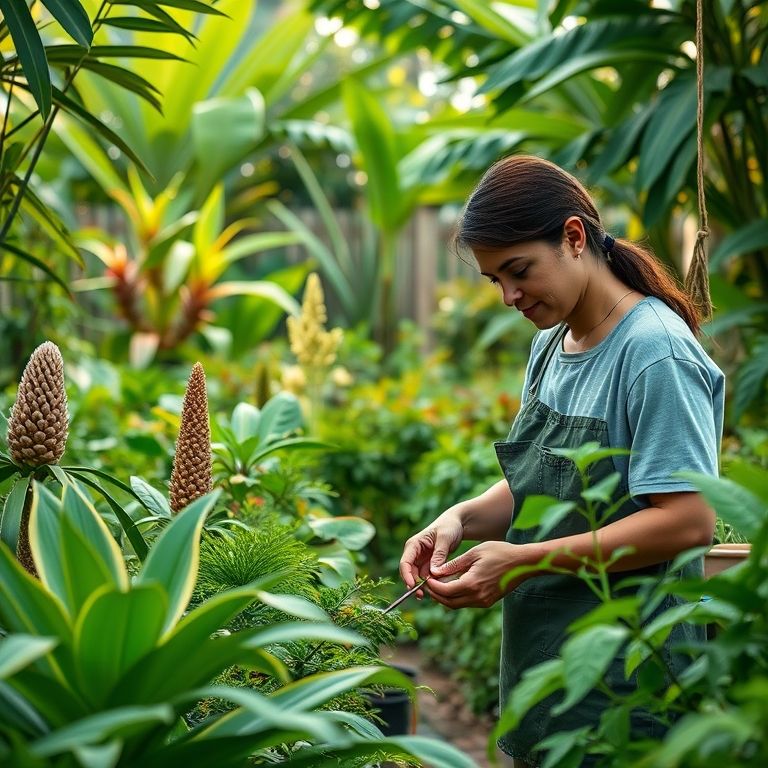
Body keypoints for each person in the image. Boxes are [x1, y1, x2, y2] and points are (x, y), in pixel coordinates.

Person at [399, 155, 725, 768]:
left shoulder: (655, 354)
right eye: (496, 280)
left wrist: (522, 561)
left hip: (627, 681)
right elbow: (545, 481)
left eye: (518, 271)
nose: (509, 296)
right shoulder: (551, 344)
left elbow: (688, 523)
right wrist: (461, 519)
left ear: (574, 237)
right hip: (548, 673)